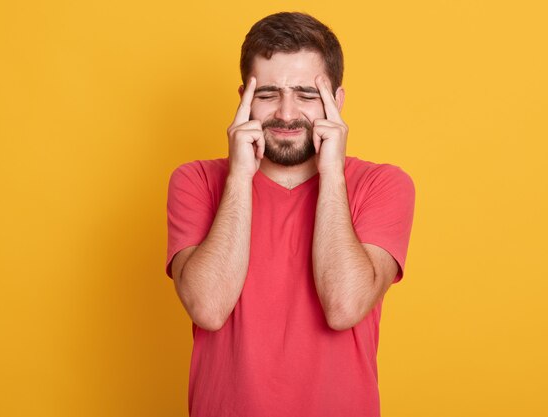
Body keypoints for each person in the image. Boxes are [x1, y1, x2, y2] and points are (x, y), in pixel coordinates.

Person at [166, 12, 415, 417]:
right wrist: (240, 177)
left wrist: (332, 173)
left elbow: (344, 307)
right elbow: (208, 309)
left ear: (337, 100)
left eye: (305, 93)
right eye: (266, 94)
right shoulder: (195, 180)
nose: (285, 113)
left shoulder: (382, 185)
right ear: (243, 98)